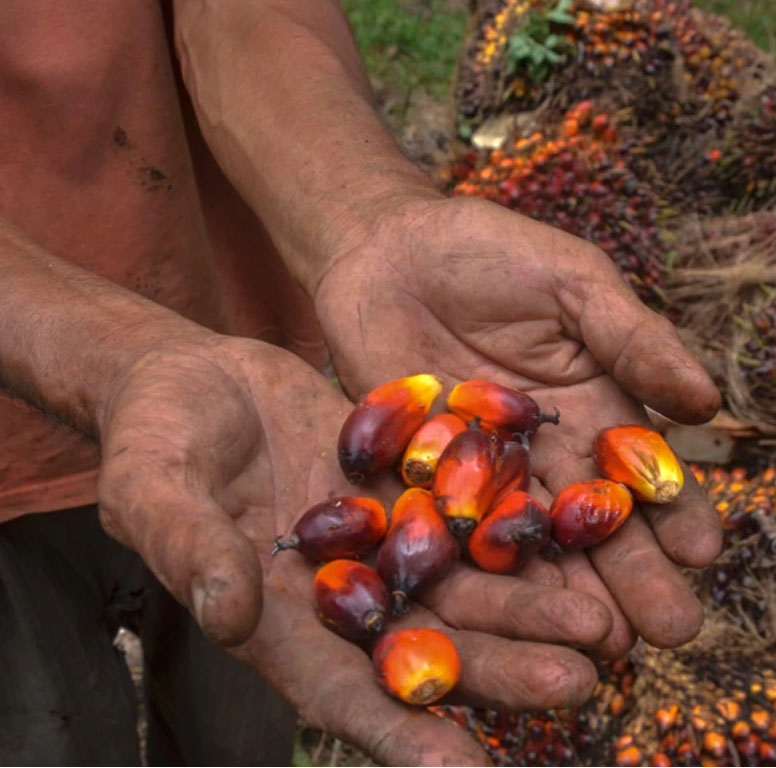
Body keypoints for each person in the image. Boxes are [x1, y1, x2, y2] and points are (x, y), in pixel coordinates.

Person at [0, 1, 723, 764]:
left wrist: (368, 213)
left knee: (241, 700)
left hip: (255, 401)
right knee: (51, 728)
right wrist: (108, 357)